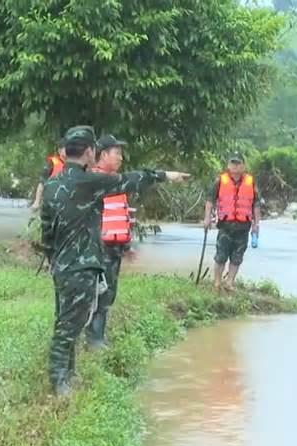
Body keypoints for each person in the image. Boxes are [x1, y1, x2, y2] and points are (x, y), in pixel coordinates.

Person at [41, 125, 190, 396]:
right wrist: (165, 175)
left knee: (66, 320)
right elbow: (131, 180)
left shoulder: (52, 184)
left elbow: (46, 228)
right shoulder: (89, 183)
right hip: (80, 266)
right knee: (69, 326)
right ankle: (58, 383)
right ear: (89, 151)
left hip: (61, 265)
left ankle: (68, 375)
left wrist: (51, 256)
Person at [86, 135, 130, 350]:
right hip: (99, 248)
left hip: (114, 247)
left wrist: (126, 246)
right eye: (116, 153)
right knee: (99, 293)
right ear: (103, 155)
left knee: (108, 293)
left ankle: (99, 337)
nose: (120, 157)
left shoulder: (114, 180)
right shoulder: (94, 181)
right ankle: (94, 340)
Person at [203, 152, 261, 292]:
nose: (235, 166)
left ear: (243, 165)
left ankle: (229, 283)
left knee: (237, 256)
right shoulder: (220, 181)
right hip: (225, 225)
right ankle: (217, 283)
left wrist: (256, 225)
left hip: (243, 227)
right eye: (232, 163)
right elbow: (210, 201)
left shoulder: (250, 182)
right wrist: (207, 219)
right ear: (228, 165)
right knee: (221, 255)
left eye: (238, 163)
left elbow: (256, 204)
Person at [30, 138, 67, 212]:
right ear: (60, 151)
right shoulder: (52, 164)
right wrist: (37, 202)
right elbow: (42, 183)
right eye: (67, 149)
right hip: (51, 202)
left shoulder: (76, 164)